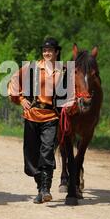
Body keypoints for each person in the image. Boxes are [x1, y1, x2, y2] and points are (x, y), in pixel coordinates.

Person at [8, 37, 74, 204]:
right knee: (32, 154)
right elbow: (13, 83)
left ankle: (45, 189)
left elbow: (71, 94)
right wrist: (20, 99)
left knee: (47, 152)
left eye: (50, 50)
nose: (47, 53)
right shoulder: (32, 68)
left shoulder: (64, 71)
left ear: (56, 52)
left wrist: (69, 105)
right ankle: (40, 188)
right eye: (44, 50)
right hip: (32, 115)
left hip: (51, 116)